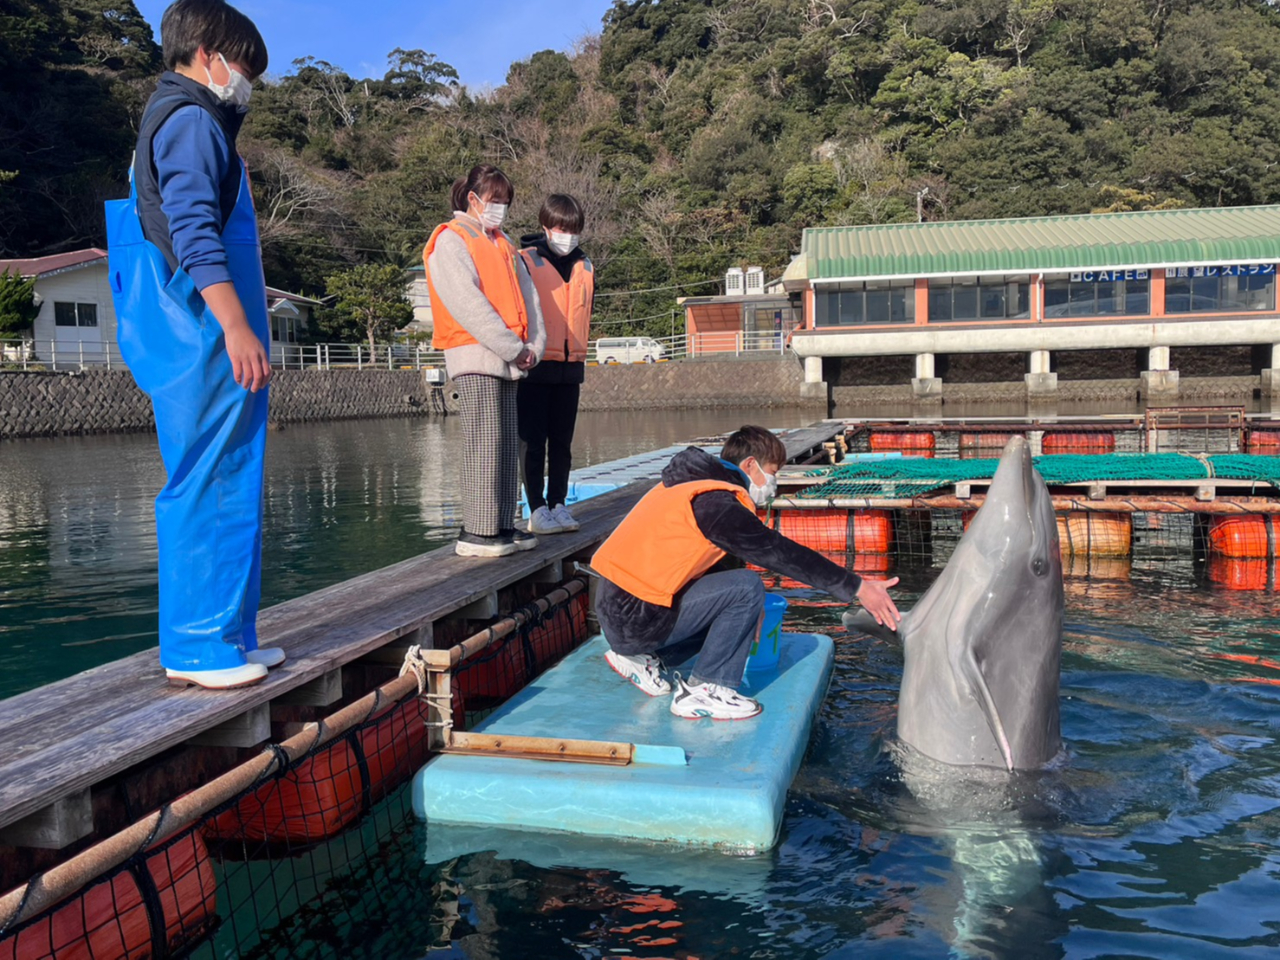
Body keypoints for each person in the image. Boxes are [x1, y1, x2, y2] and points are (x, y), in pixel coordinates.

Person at [104, 0, 283, 690]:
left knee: (233, 471)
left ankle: (233, 631)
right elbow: (192, 228)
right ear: (207, 53)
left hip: (209, 331)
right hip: (201, 331)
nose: (247, 81)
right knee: (207, 477)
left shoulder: (195, 121)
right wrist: (236, 323)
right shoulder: (190, 121)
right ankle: (195, 645)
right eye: (243, 65)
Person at [591, 426, 901, 720]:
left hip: (619, 610)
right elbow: (778, 552)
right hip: (635, 618)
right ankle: (706, 689)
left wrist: (747, 611)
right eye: (773, 472)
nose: (773, 483)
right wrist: (858, 586)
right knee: (748, 586)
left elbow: (709, 562)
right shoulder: (716, 503)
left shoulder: (688, 486)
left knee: (746, 594)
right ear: (751, 465)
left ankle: (641, 658)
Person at [424, 165, 545, 557]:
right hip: (475, 353)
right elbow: (467, 304)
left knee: (506, 442)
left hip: (509, 357)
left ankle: (502, 523)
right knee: (483, 440)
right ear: (473, 199)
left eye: (505, 202)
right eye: (495, 201)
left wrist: (533, 345)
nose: (501, 209)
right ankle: (477, 530)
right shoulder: (452, 239)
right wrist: (514, 346)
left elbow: (531, 300)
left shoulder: (504, 243)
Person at [518, 195, 593, 535]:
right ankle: (535, 508)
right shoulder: (525, 260)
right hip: (534, 365)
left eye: (574, 229)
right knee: (533, 442)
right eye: (562, 229)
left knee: (562, 443)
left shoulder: (585, 264)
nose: (568, 236)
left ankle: (559, 504)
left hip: (570, 366)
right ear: (545, 227)